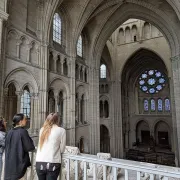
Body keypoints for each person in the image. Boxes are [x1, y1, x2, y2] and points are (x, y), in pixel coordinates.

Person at [36, 113, 66, 180]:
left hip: (40, 162)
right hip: (53, 162)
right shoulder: (61, 130)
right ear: (57, 120)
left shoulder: (42, 129)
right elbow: (62, 149)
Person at [4, 113, 35, 180]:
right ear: (20, 121)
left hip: (9, 165)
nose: (26, 120)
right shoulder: (23, 132)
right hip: (19, 165)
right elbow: (30, 147)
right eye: (25, 119)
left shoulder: (9, 132)